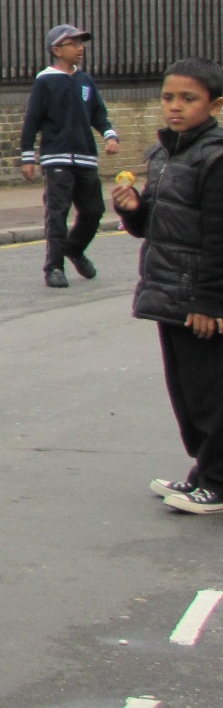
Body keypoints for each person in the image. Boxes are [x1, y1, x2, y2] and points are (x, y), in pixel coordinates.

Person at [111, 56, 223, 515]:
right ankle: (203, 473)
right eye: (168, 97)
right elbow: (152, 228)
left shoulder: (215, 157)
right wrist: (133, 208)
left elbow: (218, 234)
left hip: (199, 297)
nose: (174, 107)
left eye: (188, 99)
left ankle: (215, 484)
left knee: (210, 396)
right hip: (169, 291)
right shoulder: (164, 153)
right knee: (186, 394)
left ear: (214, 105)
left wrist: (210, 301)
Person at [21, 23, 120, 290]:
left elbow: (98, 113)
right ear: (56, 49)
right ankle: (53, 267)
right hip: (57, 157)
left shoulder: (85, 80)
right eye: (74, 43)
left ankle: (74, 249)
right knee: (57, 213)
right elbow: (33, 120)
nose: (80, 48)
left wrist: (110, 135)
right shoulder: (45, 81)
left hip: (86, 157)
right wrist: (28, 156)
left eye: (81, 43)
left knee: (94, 211)